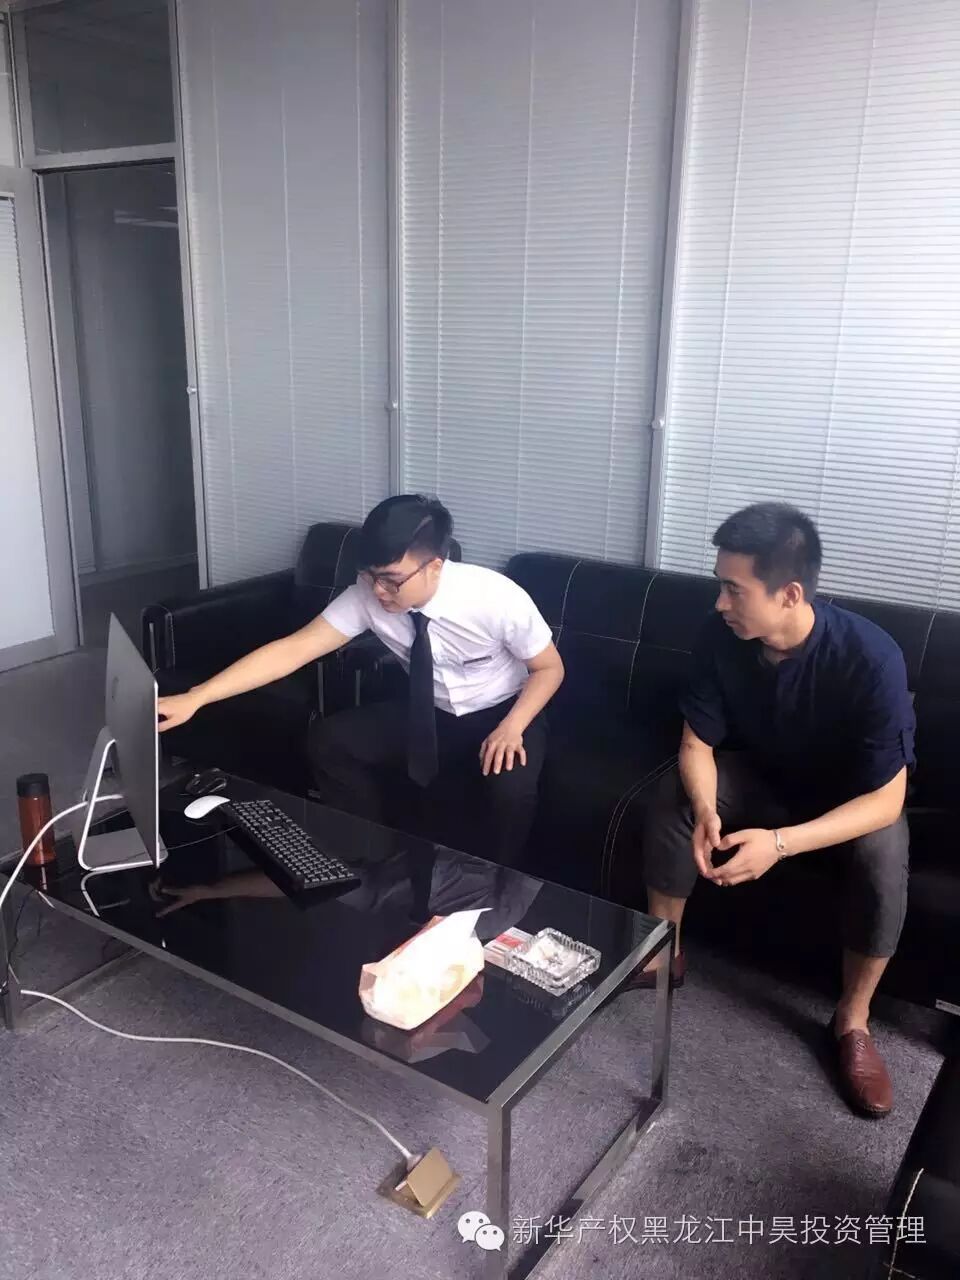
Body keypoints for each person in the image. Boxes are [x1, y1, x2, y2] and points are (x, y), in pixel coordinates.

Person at [639, 502, 914, 1119]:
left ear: (789, 594)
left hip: (847, 797)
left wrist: (781, 843)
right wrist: (707, 809)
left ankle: (852, 1020)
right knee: (676, 797)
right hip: (760, 775)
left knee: (883, 851)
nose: (720, 603)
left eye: (734, 590)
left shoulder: (871, 658)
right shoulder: (721, 636)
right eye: (720, 586)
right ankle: (663, 955)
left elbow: (887, 799)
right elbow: (697, 744)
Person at [157, 494, 564, 867]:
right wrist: (198, 696)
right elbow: (292, 650)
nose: (380, 591)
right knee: (330, 741)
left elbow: (549, 669)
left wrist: (512, 726)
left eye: (392, 579)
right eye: (370, 576)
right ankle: (370, 854)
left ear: (435, 567)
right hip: (428, 712)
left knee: (510, 791)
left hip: (505, 713)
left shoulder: (496, 599)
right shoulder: (367, 595)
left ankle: (501, 887)